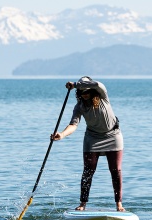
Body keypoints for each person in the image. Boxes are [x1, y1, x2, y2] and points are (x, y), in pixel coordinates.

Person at [51, 76, 125, 212]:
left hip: (113, 136)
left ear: (93, 91)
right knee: (88, 171)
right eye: (81, 92)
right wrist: (61, 134)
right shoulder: (79, 106)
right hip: (92, 138)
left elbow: (97, 83)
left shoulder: (103, 95)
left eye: (86, 91)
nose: (84, 94)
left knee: (116, 171)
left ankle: (119, 204)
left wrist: (75, 84)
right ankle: (83, 203)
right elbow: (73, 125)